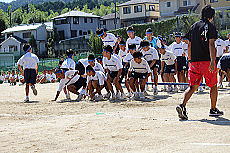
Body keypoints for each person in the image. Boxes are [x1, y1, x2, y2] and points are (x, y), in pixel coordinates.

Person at [176, 5, 224, 120]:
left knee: (193, 86)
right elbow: (211, 44)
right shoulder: (210, 27)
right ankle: (213, 109)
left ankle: (182, 105)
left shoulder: (194, 26)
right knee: (213, 85)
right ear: (211, 16)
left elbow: (189, 44)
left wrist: (190, 60)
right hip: (206, 61)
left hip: (194, 62)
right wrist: (213, 61)